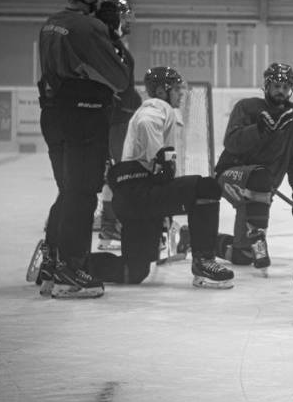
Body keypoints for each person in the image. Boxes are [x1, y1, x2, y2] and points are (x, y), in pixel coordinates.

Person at [34, 0, 130, 299]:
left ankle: (51, 264)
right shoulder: (89, 27)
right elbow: (120, 78)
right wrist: (113, 37)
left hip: (53, 115)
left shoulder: (51, 23)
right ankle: (71, 271)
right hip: (83, 115)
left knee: (67, 191)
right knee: (83, 193)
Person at [91, 66, 234, 289]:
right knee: (207, 187)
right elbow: (146, 123)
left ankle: (71, 262)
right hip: (139, 191)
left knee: (134, 271)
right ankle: (203, 262)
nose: (181, 93)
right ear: (160, 91)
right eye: (176, 89)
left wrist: (162, 169)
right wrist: (160, 157)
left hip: (132, 197)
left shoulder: (156, 108)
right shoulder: (157, 106)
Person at [213, 63, 293, 270]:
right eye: (276, 86)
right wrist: (258, 129)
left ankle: (196, 237)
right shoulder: (247, 107)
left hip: (262, 190)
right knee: (260, 176)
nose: (281, 91)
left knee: (242, 256)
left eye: (285, 87)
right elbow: (231, 142)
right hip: (230, 174)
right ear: (266, 86)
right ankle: (257, 238)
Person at [95, 0, 141, 251]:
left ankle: (109, 224)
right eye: (124, 17)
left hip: (117, 120)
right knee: (121, 173)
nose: (129, 22)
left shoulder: (111, 44)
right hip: (116, 122)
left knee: (114, 173)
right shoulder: (110, 46)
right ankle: (112, 223)